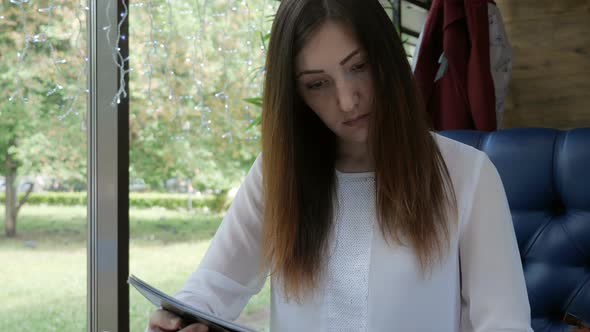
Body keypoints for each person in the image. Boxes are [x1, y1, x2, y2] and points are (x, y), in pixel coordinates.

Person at [147, 0, 533, 331]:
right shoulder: (276, 173)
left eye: (359, 66)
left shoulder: (467, 175)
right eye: (318, 84)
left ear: (387, 59)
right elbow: (216, 282)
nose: (348, 100)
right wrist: (179, 316)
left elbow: (504, 323)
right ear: (296, 95)